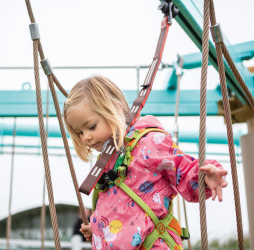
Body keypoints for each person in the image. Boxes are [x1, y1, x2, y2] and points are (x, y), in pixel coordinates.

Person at [63, 76, 228, 249]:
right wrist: (98, 228)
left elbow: (182, 170)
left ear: (115, 110)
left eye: (91, 127)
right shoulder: (106, 162)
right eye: (79, 132)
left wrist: (203, 175)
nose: (86, 137)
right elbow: (118, 210)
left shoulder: (149, 143)